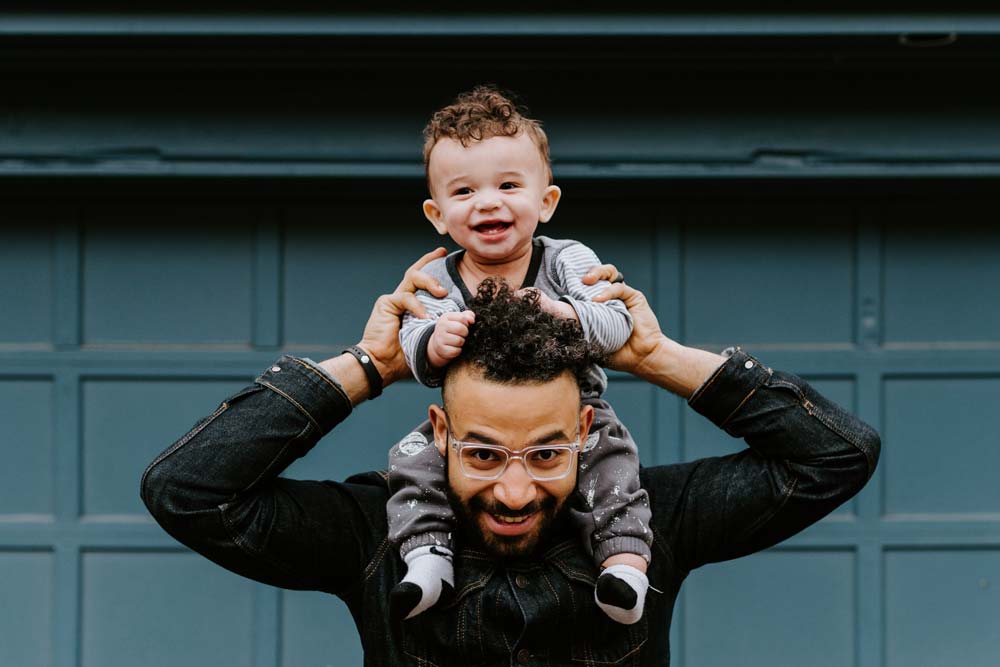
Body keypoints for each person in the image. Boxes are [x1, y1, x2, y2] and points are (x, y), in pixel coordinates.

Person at [140, 250, 881, 667]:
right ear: (439, 430)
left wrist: (655, 356)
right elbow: (188, 490)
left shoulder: (650, 520)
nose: (517, 490)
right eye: (485, 454)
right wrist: (370, 364)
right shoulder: (375, 532)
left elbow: (835, 454)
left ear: (587, 427)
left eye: (548, 452)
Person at [389, 85, 650, 625]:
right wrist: (431, 343)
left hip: (576, 410)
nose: (487, 202)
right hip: (472, 424)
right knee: (412, 460)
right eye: (464, 193)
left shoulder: (566, 260)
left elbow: (616, 323)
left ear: (546, 202)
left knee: (613, 461)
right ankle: (426, 557)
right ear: (438, 215)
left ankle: (623, 564)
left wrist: (566, 314)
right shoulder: (436, 277)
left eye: (509, 185)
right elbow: (412, 343)